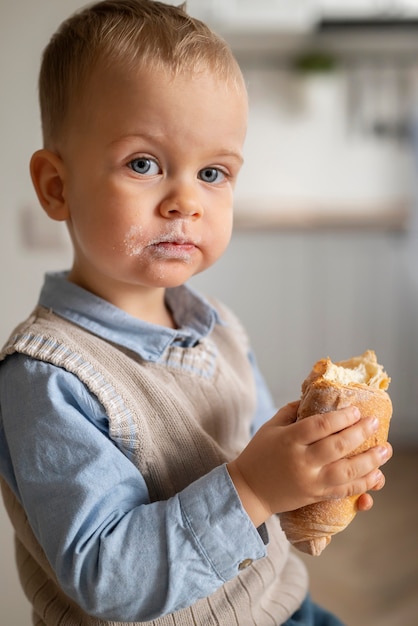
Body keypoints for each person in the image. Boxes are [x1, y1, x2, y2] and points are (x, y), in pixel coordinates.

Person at [0, 1, 392, 624]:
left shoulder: (219, 327)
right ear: (57, 187)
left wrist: (314, 474)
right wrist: (257, 487)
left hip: (283, 606)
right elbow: (108, 577)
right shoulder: (48, 379)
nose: (186, 200)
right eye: (144, 164)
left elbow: (266, 460)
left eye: (212, 172)